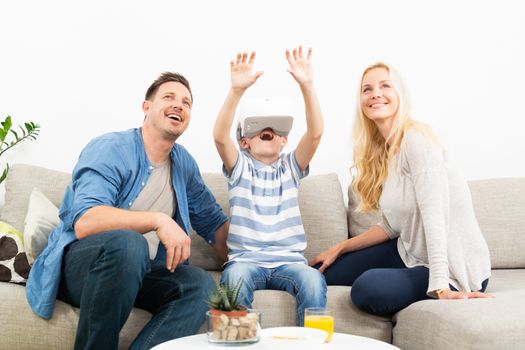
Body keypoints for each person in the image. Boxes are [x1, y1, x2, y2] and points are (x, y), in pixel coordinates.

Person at [25, 72, 229, 349]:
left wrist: (262, 254)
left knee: (200, 284)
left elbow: (215, 227)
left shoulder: (183, 165)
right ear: (146, 107)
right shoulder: (111, 149)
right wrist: (157, 220)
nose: (179, 105)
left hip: (141, 272)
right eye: (168, 97)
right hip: (86, 268)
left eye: (186, 102)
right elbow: (86, 220)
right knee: (128, 243)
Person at [309, 62, 493, 316]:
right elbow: (391, 225)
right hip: (410, 252)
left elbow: (435, 215)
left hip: (453, 267)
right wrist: (339, 247)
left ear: (400, 95)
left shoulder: (416, 140)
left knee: (368, 288)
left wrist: (440, 286)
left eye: (385, 85)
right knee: (325, 272)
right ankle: (408, 275)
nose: (375, 94)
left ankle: (433, 282)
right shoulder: (387, 151)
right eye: (367, 89)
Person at [213, 47, 326, 326]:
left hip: (290, 262)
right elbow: (219, 136)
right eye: (260, 128)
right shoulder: (240, 168)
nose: (270, 132)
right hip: (245, 261)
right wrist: (236, 91)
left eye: (277, 130)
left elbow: (315, 133)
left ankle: (310, 346)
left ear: (285, 141)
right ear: (244, 142)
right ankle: (238, 343)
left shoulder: (290, 167)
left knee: (313, 281)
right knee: (234, 281)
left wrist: (307, 85)